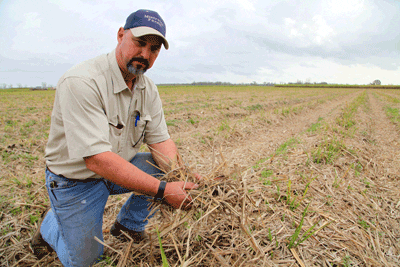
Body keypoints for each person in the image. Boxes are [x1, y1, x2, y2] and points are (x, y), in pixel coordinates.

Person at [30, 9, 199, 267]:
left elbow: (160, 142)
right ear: (121, 35)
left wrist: (180, 176)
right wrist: (165, 191)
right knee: (87, 262)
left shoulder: (147, 87)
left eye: (154, 49)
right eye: (140, 43)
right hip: (75, 182)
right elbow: (97, 160)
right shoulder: (83, 81)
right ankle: (51, 225)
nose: (145, 54)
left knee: (161, 169)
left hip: (119, 167)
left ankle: (128, 227)